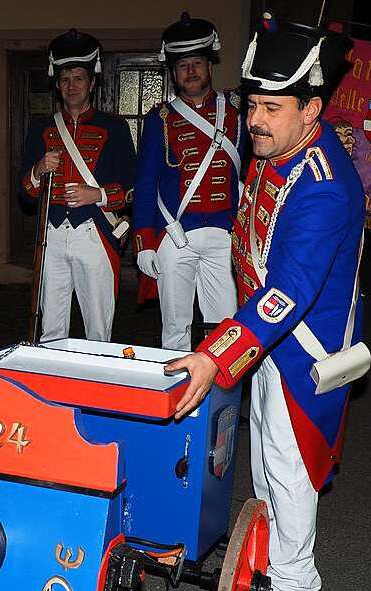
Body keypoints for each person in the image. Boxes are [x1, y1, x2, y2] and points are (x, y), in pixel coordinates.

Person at [166, 16, 364, 591]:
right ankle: (277, 558)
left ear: (311, 109)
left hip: (300, 347)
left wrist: (216, 353)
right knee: (268, 459)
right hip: (267, 338)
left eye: (272, 108)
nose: (254, 120)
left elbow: (290, 292)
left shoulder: (325, 186)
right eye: (252, 104)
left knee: (289, 461)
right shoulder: (280, 151)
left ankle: (296, 586)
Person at [132, 13, 245, 351]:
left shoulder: (235, 114)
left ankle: (220, 402)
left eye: (197, 63)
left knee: (226, 328)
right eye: (183, 66)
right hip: (174, 235)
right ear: (174, 72)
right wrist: (144, 241)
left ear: (209, 65)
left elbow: (249, 175)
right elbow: (146, 181)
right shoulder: (159, 119)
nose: (191, 71)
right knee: (175, 328)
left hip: (224, 234)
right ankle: (178, 400)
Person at [20, 30, 135, 343]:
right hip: (52, 235)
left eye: (79, 78)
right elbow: (26, 193)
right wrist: (38, 170)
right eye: (65, 79)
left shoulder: (115, 128)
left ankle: (96, 391)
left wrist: (95, 194)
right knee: (51, 329)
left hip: (94, 233)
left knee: (98, 327)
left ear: (92, 83)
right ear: (57, 84)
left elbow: (131, 188)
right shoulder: (40, 129)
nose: (72, 86)